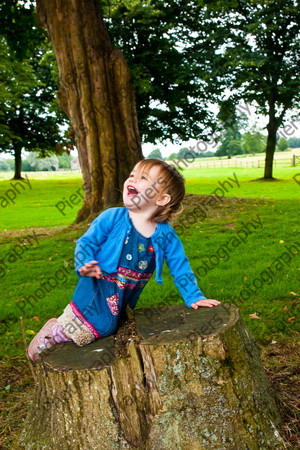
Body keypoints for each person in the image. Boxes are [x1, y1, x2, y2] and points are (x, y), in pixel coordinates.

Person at [27, 158, 220, 361]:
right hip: (99, 283)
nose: (133, 180)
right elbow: (86, 243)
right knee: (95, 325)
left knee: (111, 325)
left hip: (125, 292)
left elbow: (180, 266)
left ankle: (65, 330)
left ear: (162, 199)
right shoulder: (112, 217)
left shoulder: (165, 235)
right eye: (132, 175)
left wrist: (194, 296)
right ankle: (55, 333)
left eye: (143, 177)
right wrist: (85, 262)